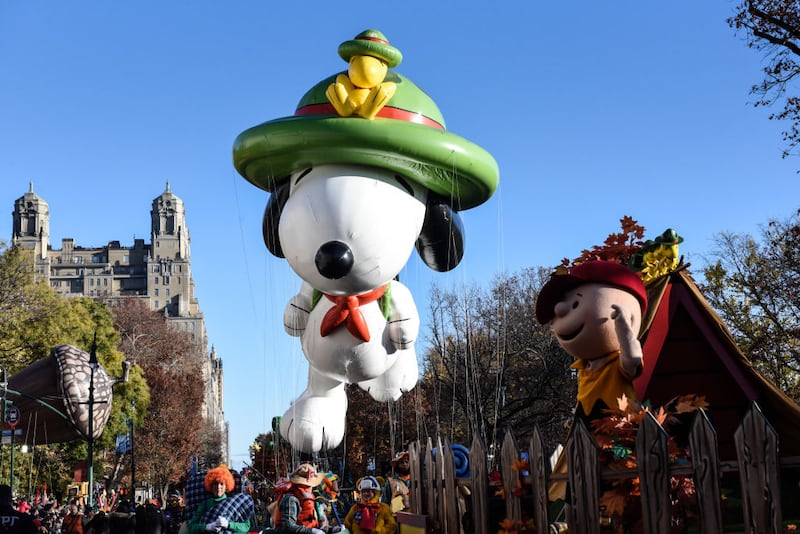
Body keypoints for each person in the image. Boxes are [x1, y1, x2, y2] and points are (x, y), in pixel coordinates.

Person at [186, 466, 250, 534]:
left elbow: (246, 526)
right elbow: (191, 527)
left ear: (226, 486)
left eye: (221, 484)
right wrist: (207, 527)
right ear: (211, 485)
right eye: (215, 484)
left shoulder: (234, 503)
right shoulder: (204, 504)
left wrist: (229, 524)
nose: (218, 487)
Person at [272, 464, 326, 534]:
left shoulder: (312, 497)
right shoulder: (290, 499)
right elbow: (288, 526)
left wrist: (331, 529)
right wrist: (312, 531)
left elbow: (316, 524)